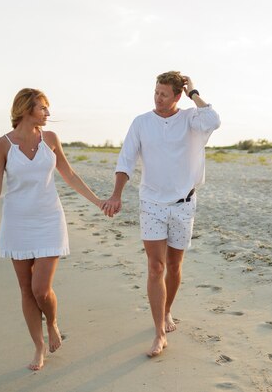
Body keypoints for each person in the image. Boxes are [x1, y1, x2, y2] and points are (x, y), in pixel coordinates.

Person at [0, 88, 104, 371]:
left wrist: (97, 201)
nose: (48, 114)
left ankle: (53, 322)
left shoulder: (50, 139)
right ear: (26, 109)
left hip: (49, 220)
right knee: (26, 289)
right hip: (17, 222)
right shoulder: (2, 145)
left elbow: (69, 174)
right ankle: (38, 348)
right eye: (43, 108)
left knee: (41, 290)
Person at [102, 71, 221, 357]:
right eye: (155, 92)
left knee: (174, 266)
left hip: (183, 203)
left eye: (164, 94)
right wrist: (116, 194)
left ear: (177, 95)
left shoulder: (191, 120)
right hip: (152, 203)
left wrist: (194, 92)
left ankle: (167, 311)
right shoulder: (141, 122)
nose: (157, 98)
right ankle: (158, 334)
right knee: (156, 267)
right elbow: (126, 159)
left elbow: (213, 119)